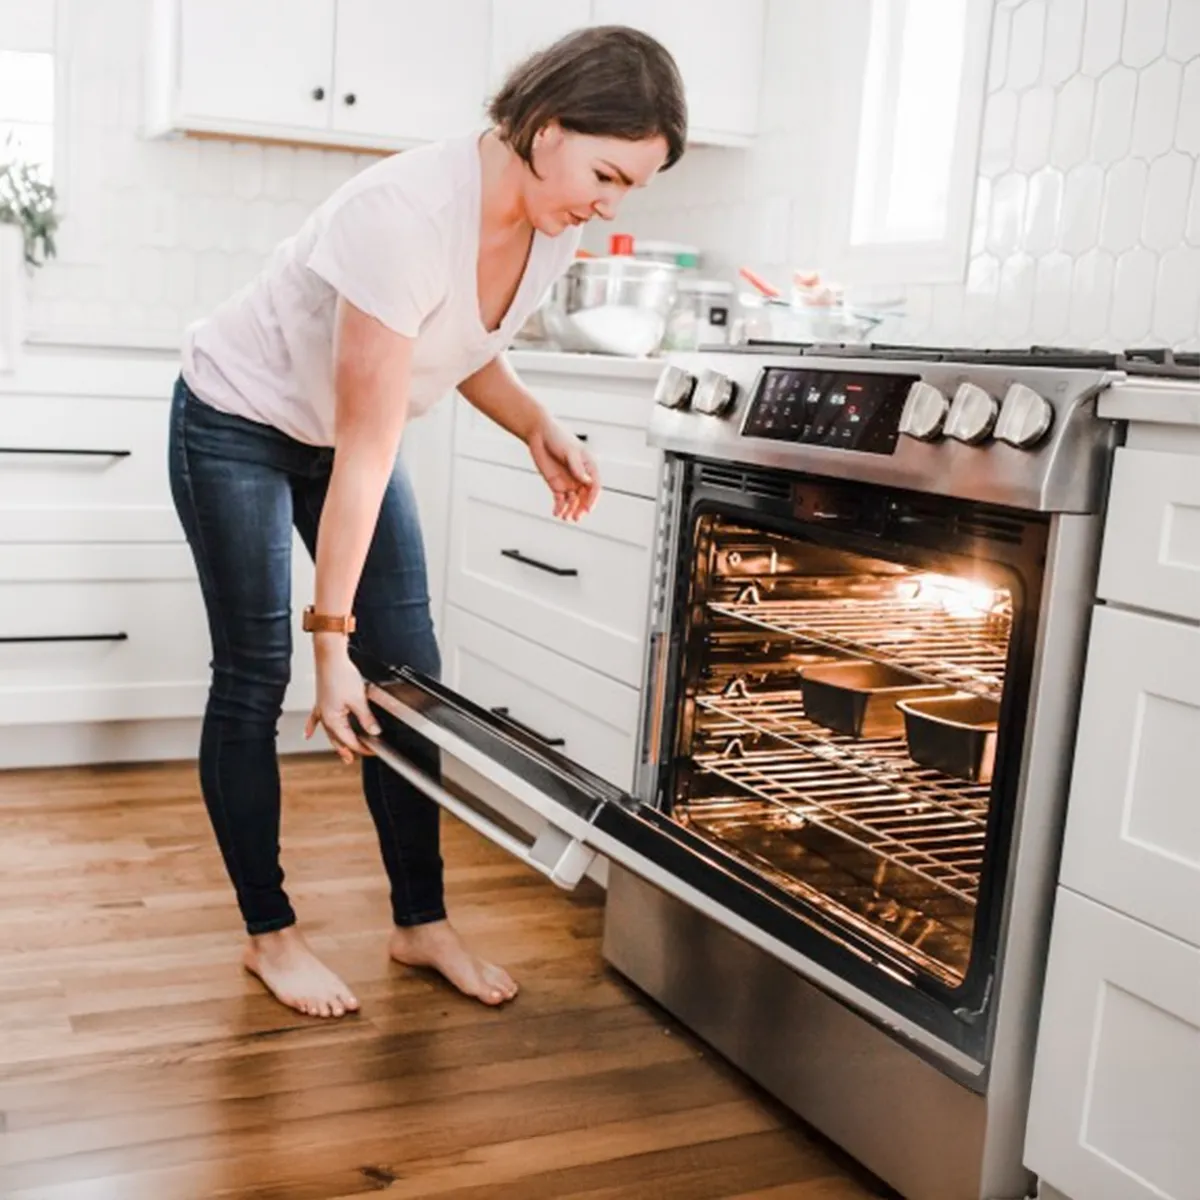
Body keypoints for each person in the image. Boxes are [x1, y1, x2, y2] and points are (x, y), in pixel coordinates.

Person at [167, 26, 687, 1020]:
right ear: (544, 126)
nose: (610, 204)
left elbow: (458, 340)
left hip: (344, 435)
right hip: (237, 416)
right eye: (607, 173)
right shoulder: (402, 211)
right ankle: (270, 935)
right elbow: (367, 448)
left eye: (632, 188)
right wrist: (330, 645)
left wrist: (537, 424)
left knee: (409, 672)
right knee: (257, 671)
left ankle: (420, 923)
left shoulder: (552, 224)